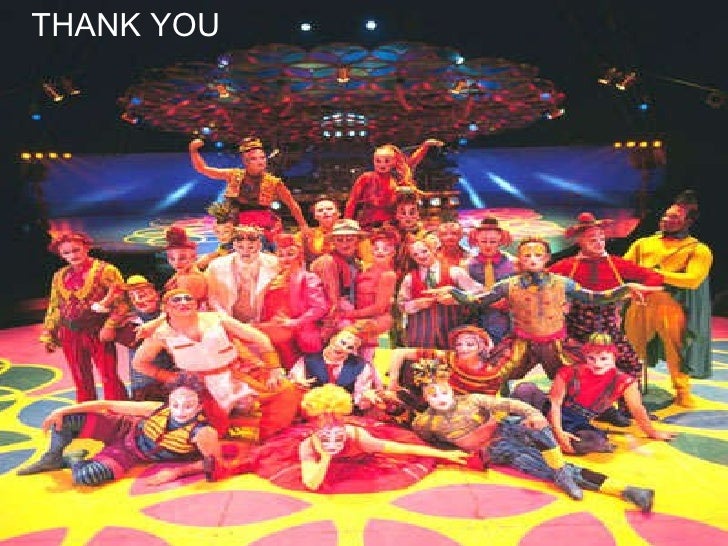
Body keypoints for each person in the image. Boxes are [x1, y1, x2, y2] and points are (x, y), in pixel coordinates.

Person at [407, 367, 656, 512]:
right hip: (496, 448)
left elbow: (509, 404)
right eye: (433, 395)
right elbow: (432, 443)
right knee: (546, 465)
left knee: (535, 426)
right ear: (425, 398)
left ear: (452, 390)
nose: (440, 398)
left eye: (444, 392)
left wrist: (533, 414)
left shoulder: (471, 400)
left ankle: (563, 474)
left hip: (507, 429)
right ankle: (624, 489)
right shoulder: (424, 423)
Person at [445, 237, 663, 389]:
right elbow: (477, 300)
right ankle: (498, 410)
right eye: (527, 255)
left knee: (583, 377)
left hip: (557, 343)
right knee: (494, 373)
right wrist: (452, 291)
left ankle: (596, 411)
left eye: (538, 255)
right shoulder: (507, 285)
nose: (532, 259)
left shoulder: (562, 283)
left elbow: (594, 297)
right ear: (519, 258)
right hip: (522, 342)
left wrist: (626, 288)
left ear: (547, 257)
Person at [132, 288, 300, 441]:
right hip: (200, 386)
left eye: (188, 298)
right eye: (176, 300)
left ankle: (266, 437)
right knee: (204, 428)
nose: (183, 302)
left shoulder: (217, 319)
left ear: (196, 304)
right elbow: (139, 363)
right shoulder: (161, 334)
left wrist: (274, 368)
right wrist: (172, 378)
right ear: (166, 308)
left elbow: (259, 338)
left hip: (237, 374)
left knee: (285, 390)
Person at [548, 212, 664, 425]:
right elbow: (544, 282)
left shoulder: (617, 264)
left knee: (630, 362)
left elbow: (654, 276)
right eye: (592, 239)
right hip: (579, 329)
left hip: (610, 327)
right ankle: (591, 408)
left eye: (601, 238)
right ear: (580, 241)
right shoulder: (566, 266)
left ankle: (629, 408)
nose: (599, 243)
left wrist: (640, 291)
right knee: (586, 368)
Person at [250, 384, 468, 492]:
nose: (333, 443)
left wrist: (443, 453)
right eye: (327, 439)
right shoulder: (308, 446)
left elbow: (401, 448)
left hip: (360, 447)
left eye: (338, 438)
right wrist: (325, 457)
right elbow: (311, 483)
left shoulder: (360, 438)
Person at [16, 374, 222, 487]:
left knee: (86, 477)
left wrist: (176, 472)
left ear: (199, 407)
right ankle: (52, 457)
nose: (180, 411)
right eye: (175, 404)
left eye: (188, 406)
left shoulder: (203, 432)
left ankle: (73, 460)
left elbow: (214, 462)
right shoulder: (157, 408)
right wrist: (61, 410)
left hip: (130, 453)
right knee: (65, 420)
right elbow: (107, 404)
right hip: (121, 429)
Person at [512, 333, 677, 455]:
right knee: (524, 389)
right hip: (548, 412)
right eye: (592, 358)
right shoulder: (569, 371)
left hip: (577, 422)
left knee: (595, 442)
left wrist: (652, 433)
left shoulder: (625, 381)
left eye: (604, 359)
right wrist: (558, 432)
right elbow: (555, 403)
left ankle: (536, 435)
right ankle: (537, 433)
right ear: (585, 357)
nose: (598, 364)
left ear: (614, 358)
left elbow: (637, 410)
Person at [622, 190, 713, 407]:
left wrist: (656, 274)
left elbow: (693, 280)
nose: (666, 219)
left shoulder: (698, 249)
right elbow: (624, 267)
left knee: (677, 349)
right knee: (629, 346)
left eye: (674, 217)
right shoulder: (643, 243)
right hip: (640, 301)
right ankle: (627, 387)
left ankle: (682, 390)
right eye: (665, 215)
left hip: (670, 305)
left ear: (688, 222)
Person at [40, 231, 128, 402]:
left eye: (76, 250)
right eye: (66, 252)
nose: (72, 255)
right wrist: (49, 333)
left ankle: (117, 410)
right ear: (60, 254)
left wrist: (110, 326)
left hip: (97, 331)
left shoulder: (106, 270)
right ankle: (86, 409)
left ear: (86, 248)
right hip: (70, 333)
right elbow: (55, 306)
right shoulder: (59, 276)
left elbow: (122, 302)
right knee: (79, 375)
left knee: (108, 374)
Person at [188, 137, 308, 233]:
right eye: (254, 159)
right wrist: (193, 151)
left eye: (262, 158)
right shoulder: (234, 175)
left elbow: (292, 204)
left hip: (263, 225)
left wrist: (304, 226)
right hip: (236, 223)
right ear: (246, 161)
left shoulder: (274, 182)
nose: (260, 161)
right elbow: (203, 169)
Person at [256, 233, 328, 369]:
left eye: (290, 254)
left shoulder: (308, 278)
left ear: (299, 255)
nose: (285, 259)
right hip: (276, 337)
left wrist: (294, 323)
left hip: (300, 335)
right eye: (281, 255)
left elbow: (320, 307)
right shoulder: (273, 279)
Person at [397, 235, 482, 349]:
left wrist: (457, 298)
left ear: (433, 250)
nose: (421, 256)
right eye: (415, 255)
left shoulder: (455, 272)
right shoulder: (409, 278)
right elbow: (401, 305)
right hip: (420, 336)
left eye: (424, 251)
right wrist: (416, 304)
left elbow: (478, 292)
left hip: (451, 333)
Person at [344, 139, 443, 230]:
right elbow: (352, 201)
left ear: (394, 162)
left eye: (387, 161)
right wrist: (347, 222)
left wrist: (425, 146)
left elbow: (411, 162)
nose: (382, 164)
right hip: (368, 224)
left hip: (392, 225)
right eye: (378, 161)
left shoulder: (396, 180)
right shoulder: (366, 177)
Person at [388, 325, 510, 398]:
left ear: (482, 347)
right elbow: (399, 352)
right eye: (459, 344)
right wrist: (393, 381)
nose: (463, 349)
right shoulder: (448, 358)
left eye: (470, 344)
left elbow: (486, 405)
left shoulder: (490, 374)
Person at [288, 327, 383, 413]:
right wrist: (296, 384)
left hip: (344, 415)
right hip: (312, 413)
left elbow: (360, 398)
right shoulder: (308, 360)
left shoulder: (361, 366)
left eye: (350, 348)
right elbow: (292, 381)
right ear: (333, 340)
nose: (343, 348)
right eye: (343, 343)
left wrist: (366, 397)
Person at [338, 225, 399, 360]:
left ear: (393, 252)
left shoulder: (388, 275)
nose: (380, 252)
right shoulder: (365, 268)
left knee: (365, 359)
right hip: (359, 317)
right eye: (376, 248)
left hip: (375, 321)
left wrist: (349, 314)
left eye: (385, 248)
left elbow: (379, 308)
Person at [206, 225, 279, 324]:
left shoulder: (275, 264)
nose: (245, 252)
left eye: (251, 247)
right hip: (227, 322)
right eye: (241, 247)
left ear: (259, 245)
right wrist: (228, 321)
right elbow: (213, 299)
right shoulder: (216, 266)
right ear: (234, 245)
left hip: (263, 322)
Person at [310, 219, 366, 343]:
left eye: (349, 239)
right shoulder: (328, 262)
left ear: (357, 241)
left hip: (350, 312)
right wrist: (329, 325)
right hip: (331, 318)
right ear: (333, 242)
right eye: (340, 240)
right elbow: (331, 298)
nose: (344, 243)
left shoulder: (357, 263)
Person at [465, 217, 517, 345]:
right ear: (477, 240)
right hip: (477, 317)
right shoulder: (467, 265)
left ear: (500, 241)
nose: (488, 245)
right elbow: (464, 292)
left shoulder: (514, 263)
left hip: (505, 318)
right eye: (484, 241)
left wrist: (510, 301)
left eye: (493, 241)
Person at [163, 225, 208, 305]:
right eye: (172, 258)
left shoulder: (188, 279)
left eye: (182, 258)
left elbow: (184, 307)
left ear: (194, 257)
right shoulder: (180, 275)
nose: (176, 263)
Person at [296, 196, 342, 264]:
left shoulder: (350, 233)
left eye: (329, 209)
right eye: (320, 210)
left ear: (339, 213)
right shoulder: (306, 234)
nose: (325, 212)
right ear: (315, 216)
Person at [196, 201, 237, 272]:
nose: (221, 235)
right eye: (218, 232)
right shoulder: (224, 246)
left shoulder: (239, 245)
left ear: (234, 230)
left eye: (226, 231)